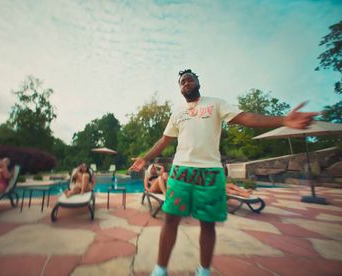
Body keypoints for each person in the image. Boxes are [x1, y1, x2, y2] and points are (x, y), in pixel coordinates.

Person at [129, 69, 318, 276]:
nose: (186, 81)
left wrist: (283, 120)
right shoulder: (177, 113)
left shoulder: (216, 103)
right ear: (180, 88)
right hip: (180, 172)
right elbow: (164, 140)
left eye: (190, 78)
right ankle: (160, 269)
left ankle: (204, 271)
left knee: (208, 224)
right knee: (171, 219)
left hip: (210, 173)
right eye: (182, 81)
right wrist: (144, 158)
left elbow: (246, 118)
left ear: (198, 82)